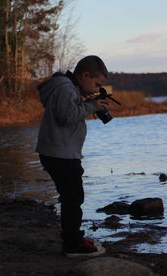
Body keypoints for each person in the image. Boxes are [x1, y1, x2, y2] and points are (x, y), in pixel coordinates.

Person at [36, 55, 109, 258]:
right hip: (60, 154)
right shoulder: (65, 88)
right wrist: (92, 106)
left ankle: (72, 238)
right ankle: (73, 244)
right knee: (73, 197)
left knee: (71, 196)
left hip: (60, 152)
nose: (96, 89)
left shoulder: (68, 88)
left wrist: (85, 102)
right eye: (96, 84)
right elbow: (66, 116)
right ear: (85, 75)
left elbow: (68, 110)